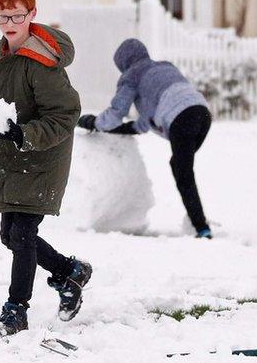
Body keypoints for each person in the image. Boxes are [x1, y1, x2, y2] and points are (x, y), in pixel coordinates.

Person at [0, 0, 92, 337]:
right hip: (10, 155)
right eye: (2, 15)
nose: (9, 23)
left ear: (32, 15)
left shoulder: (41, 61)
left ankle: (16, 310)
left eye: (17, 15)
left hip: (44, 156)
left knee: (23, 233)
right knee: (9, 235)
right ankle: (68, 271)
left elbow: (65, 113)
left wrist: (23, 135)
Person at [77, 38, 213, 239]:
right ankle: (198, 222)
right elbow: (152, 114)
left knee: (182, 171)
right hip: (202, 113)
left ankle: (201, 228)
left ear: (123, 63)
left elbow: (116, 112)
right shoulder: (164, 67)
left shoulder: (131, 76)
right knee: (181, 168)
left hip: (181, 118)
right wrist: (126, 129)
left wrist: (95, 123)